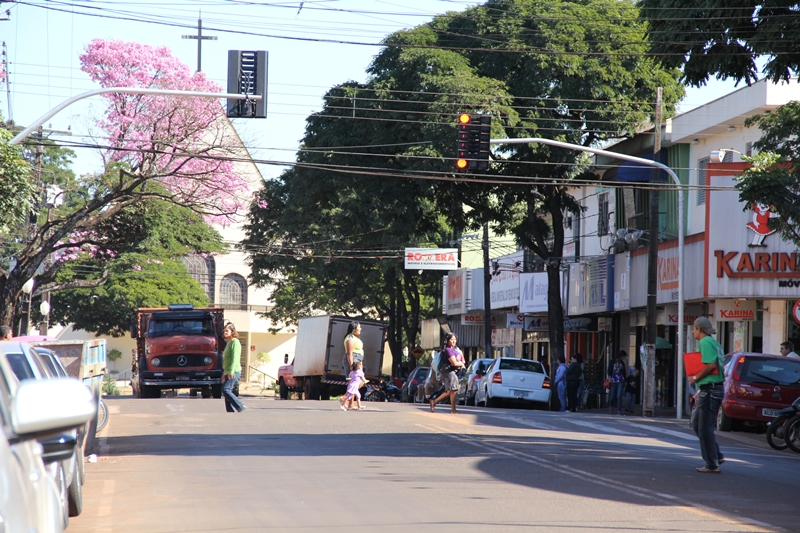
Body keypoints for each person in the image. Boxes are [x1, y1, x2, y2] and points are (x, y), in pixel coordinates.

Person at [688, 316, 725, 473]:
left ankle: (711, 463)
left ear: (699, 329)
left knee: (705, 427)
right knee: (697, 423)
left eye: (694, 328)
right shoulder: (714, 342)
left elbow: (710, 365)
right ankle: (716, 455)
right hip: (711, 388)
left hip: (710, 389)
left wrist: (696, 377)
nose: (692, 331)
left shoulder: (705, 342)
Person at [429, 333, 464, 414]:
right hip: (449, 371)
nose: (454, 341)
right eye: (451, 339)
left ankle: (434, 401)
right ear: (447, 340)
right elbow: (454, 363)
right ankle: (453, 410)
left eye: (455, 339)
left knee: (450, 390)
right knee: (454, 389)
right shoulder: (448, 350)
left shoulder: (453, 349)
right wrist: (461, 364)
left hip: (450, 371)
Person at [221, 322, 246, 413]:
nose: (225, 332)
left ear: (232, 332)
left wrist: (231, 371)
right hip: (228, 370)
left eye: (227, 331)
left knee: (226, 390)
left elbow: (235, 358)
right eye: (224, 331)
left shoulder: (235, 342)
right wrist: (224, 373)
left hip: (234, 370)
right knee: (226, 390)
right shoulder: (228, 343)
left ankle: (240, 406)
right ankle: (230, 410)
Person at [608, 351, 626, 415]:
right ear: (621, 356)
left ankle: (619, 410)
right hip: (613, 380)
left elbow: (624, 372)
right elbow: (609, 370)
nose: (624, 358)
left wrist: (625, 381)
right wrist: (609, 377)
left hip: (621, 380)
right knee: (612, 395)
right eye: (624, 357)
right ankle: (611, 406)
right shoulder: (612, 361)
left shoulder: (622, 363)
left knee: (619, 396)